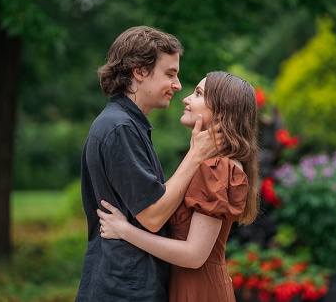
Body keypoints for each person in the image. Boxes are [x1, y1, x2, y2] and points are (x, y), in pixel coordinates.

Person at [75, 26, 222, 302]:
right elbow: (153, 217)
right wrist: (195, 155)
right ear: (139, 71)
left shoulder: (127, 124)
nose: (177, 86)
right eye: (170, 74)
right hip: (125, 289)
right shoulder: (119, 128)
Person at [97, 71, 260, 302]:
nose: (186, 98)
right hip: (185, 287)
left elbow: (194, 255)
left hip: (199, 292)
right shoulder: (206, 164)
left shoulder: (219, 168)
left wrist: (124, 231)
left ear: (221, 111)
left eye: (198, 93)